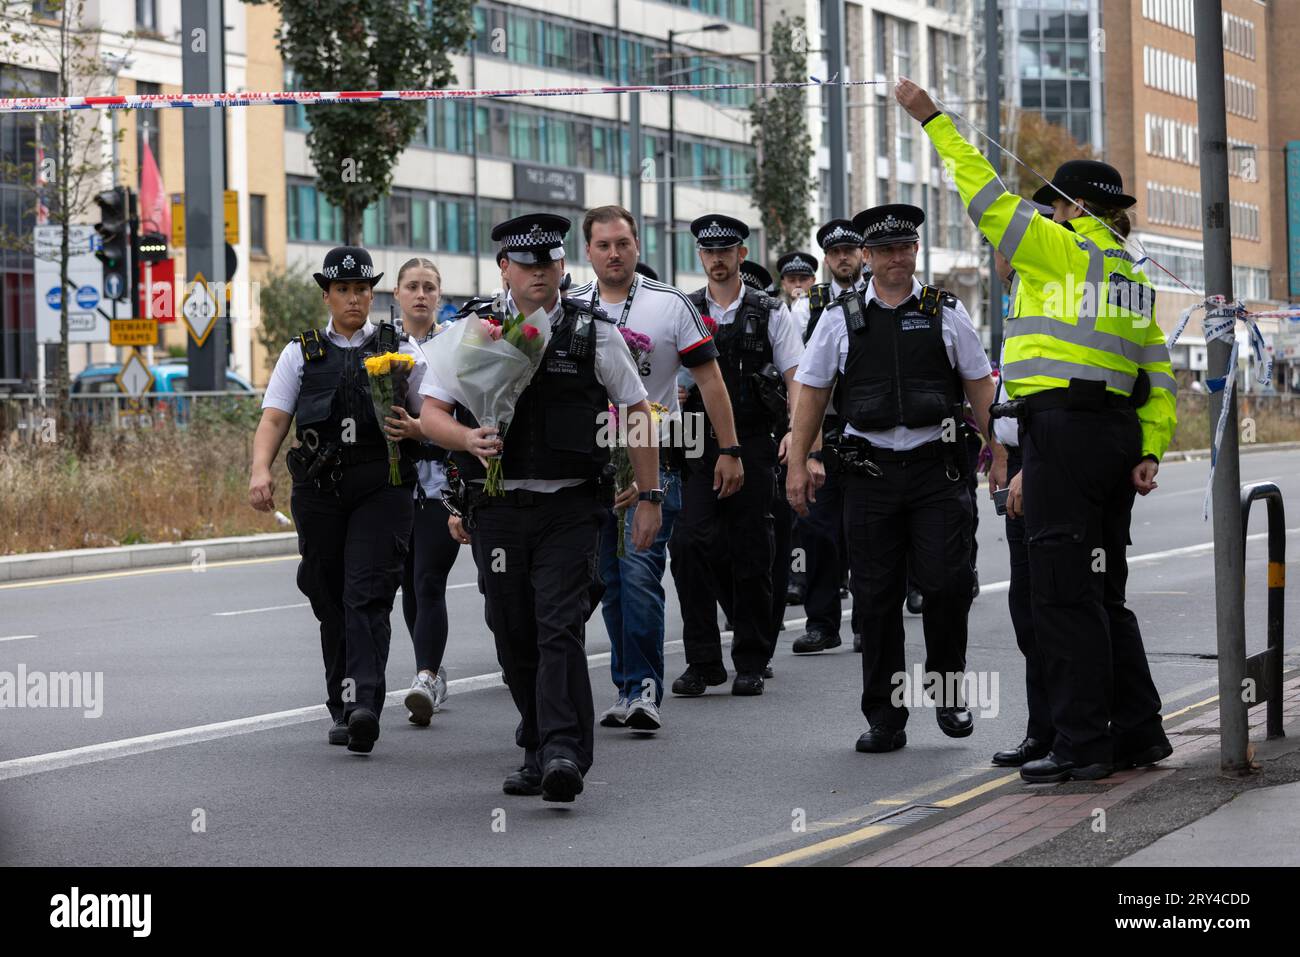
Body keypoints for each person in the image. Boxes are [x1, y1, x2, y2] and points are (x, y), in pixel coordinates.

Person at [898, 77, 1176, 781]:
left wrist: (933, 120)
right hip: (1113, 438)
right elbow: (1159, 375)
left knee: (1060, 594)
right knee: (1101, 589)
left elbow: (984, 195)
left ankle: (1082, 744)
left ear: (1072, 209)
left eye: (1051, 204)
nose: (1042, 214)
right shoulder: (1129, 273)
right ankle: (1137, 730)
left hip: (1064, 436)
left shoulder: (1064, 249)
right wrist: (1149, 446)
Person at [418, 213, 661, 803]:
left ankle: (562, 753)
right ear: (505, 268)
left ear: (561, 268)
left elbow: (634, 410)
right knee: (512, 631)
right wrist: (466, 440)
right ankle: (536, 742)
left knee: (558, 626)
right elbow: (431, 410)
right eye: (526, 265)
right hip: (499, 508)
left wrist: (649, 495)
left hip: (571, 509)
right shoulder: (480, 329)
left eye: (548, 264)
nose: (539, 275)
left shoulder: (590, 332)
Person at [787, 204, 994, 754]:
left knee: (948, 585)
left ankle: (947, 693)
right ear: (869, 258)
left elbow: (978, 386)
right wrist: (798, 462)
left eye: (906, 248)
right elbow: (811, 392)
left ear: (915, 252)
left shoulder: (945, 311)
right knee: (875, 599)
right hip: (870, 475)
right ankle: (885, 716)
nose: (897, 258)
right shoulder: (840, 317)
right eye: (885, 251)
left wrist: (998, 452)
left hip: (936, 470)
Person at [567, 205, 739, 736]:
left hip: (653, 460)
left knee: (640, 573)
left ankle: (644, 688)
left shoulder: (670, 307)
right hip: (592, 469)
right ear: (588, 251)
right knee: (610, 581)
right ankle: (624, 687)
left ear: (637, 245)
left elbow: (709, 380)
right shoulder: (571, 308)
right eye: (602, 245)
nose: (614, 254)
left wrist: (730, 449)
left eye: (622, 243)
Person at [249, 245, 426, 754]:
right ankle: (341, 703)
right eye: (344, 290)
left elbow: (430, 413)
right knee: (328, 596)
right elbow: (275, 418)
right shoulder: (301, 352)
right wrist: (260, 469)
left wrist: (416, 427)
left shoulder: (400, 349)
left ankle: (364, 705)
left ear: (372, 294)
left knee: (366, 594)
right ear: (327, 295)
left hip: (382, 486)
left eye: (363, 289)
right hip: (320, 491)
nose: (354, 299)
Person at [671, 214, 804, 698]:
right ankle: (703, 660)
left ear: (741, 255)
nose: (718, 259)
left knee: (753, 551)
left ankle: (751, 658)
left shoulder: (770, 311)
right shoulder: (683, 308)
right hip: (694, 442)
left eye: (727, 251)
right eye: (709, 252)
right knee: (688, 545)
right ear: (700, 257)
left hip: (753, 439)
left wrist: (796, 432)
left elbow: (796, 375)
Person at [382, 258, 461, 726]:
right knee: (410, 583)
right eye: (412, 286)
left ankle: (427, 676)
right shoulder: (384, 346)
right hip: (397, 484)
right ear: (396, 294)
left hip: (443, 481)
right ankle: (428, 668)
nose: (421, 295)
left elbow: (467, 412)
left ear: (438, 294)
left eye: (429, 287)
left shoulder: (455, 344)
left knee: (429, 578)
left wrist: (423, 431)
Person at [790, 219, 870, 655]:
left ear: (862, 255)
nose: (843, 258)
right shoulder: (810, 305)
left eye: (850, 251)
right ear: (827, 259)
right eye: (835, 252)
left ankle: (866, 621)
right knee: (818, 529)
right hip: (827, 426)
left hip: (868, 429)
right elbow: (802, 381)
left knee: (865, 529)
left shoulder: (878, 297)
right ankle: (822, 623)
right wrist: (808, 447)